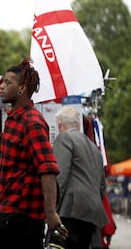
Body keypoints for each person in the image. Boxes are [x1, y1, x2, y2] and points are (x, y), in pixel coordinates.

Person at [0, 58, 68, 249]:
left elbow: (48, 169)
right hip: (7, 213)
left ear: (22, 88)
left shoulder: (31, 122)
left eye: (8, 82)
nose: (1, 86)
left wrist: (51, 213)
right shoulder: (13, 120)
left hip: (20, 218)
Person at [52, 106, 109, 249]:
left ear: (59, 124)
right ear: (77, 124)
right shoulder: (93, 147)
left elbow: (60, 177)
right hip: (92, 214)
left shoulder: (64, 138)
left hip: (70, 210)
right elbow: (101, 185)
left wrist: (52, 209)